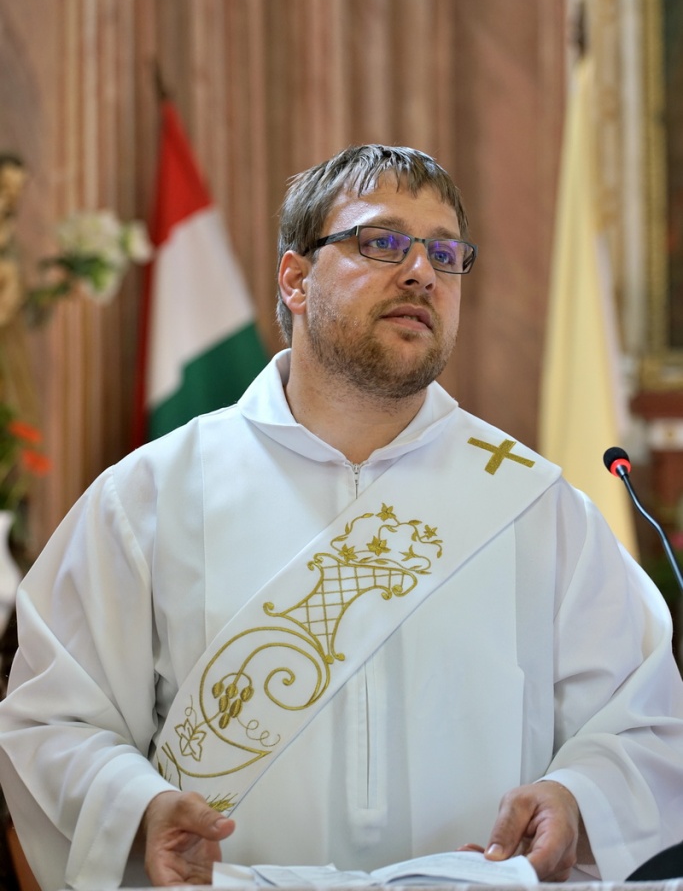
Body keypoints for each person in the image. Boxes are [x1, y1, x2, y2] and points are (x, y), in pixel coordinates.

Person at [1, 144, 683, 891]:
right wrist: (140, 808)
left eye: (445, 254)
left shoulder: (535, 507)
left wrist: (576, 798)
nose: (421, 272)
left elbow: (645, 722)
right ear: (296, 279)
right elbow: (53, 721)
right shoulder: (151, 496)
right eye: (381, 242)